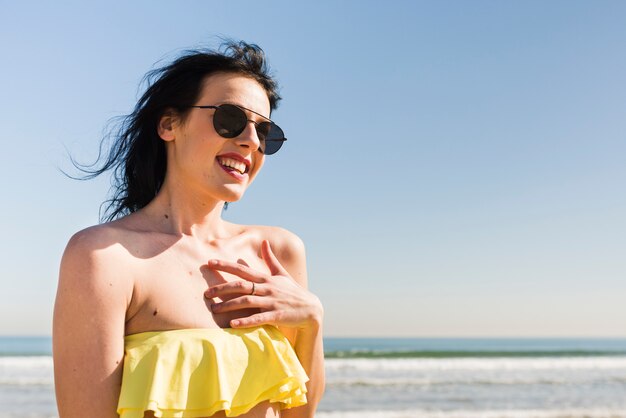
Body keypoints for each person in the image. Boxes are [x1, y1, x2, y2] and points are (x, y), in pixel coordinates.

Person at [52, 41, 325, 418]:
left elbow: (300, 413)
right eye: (229, 118)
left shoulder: (279, 251)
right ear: (168, 124)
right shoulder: (103, 257)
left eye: (265, 132)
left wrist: (311, 320)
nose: (250, 141)